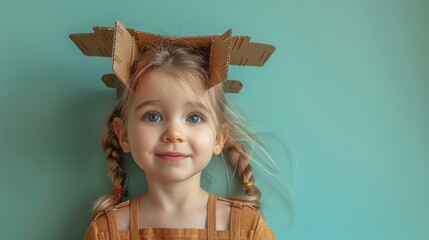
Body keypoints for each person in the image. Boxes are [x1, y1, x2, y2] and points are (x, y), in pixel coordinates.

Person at [82, 42, 278, 239]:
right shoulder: (106, 232)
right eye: (153, 116)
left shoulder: (248, 228)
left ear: (219, 138)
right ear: (123, 135)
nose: (174, 133)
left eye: (194, 118)